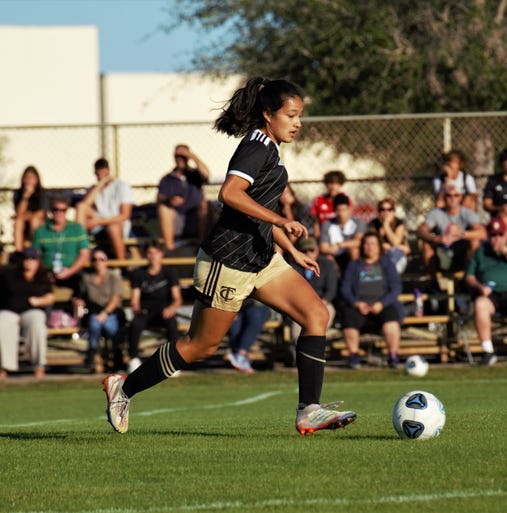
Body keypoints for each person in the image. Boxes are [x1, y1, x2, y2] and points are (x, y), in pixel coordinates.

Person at [103, 77, 356, 436]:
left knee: (315, 315)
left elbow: (257, 210)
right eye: (291, 115)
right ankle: (123, 388)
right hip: (228, 262)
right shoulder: (256, 147)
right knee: (200, 345)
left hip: (261, 257)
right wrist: (281, 219)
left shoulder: (271, 147)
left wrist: (291, 248)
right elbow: (230, 194)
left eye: (300, 115)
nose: (297, 122)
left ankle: (308, 410)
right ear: (268, 115)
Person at [465, 217, 507, 366]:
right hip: (492, 294)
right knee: (480, 304)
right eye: (493, 235)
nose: (496, 239)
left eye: (500, 235)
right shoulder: (480, 252)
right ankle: (487, 352)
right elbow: (469, 276)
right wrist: (479, 286)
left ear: (506, 234)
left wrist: (506, 252)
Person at [339, 232, 404, 369]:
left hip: (382, 305)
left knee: (391, 319)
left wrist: (382, 303)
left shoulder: (386, 263)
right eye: (367, 244)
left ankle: (393, 355)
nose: (370, 247)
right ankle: (353, 356)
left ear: (379, 247)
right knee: (348, 318)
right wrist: (357, 303)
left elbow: (396, 287)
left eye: (373, 244)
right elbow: (345, 288)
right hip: (359, 306)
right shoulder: (354, 265)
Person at [126, 241, 182, 374]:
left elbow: (177, 299)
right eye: (149, 253)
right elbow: (135, 299)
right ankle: (133, 359)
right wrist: (136, 308)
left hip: (164, 311)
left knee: (172, 324)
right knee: (135, 324)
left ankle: (172, 361)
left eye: (155, 253)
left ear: (161, 254)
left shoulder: (169, 272)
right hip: (145, 311)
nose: (152, 256)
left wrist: (172, 308)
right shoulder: (138, 274)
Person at [0, 247, 54, 380]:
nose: (29, 262)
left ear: (37, 261)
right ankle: (4, 367)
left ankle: (39, 366)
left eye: (33, 259)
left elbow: (50, 296)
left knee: (36, 324)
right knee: (2, 323)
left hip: (32, 310)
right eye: (27, 259)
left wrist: (39, 301)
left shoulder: (43, 275)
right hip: (10, 311)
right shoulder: (10, 273)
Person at [74, 247, 124, 371]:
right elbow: (80, 295)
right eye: (95, 259)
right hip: (94, 311)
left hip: (111, 311)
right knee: (94, 325)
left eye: (101, 259)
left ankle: (117, 359)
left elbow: (115, 299)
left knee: (111, 327)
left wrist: (105, 313)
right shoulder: (87, 279)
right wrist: (78, 303)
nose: (98, 262)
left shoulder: (113, 277)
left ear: (106, 261)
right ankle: (92, 358)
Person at [417, 184, 486, 274]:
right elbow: (421, 231)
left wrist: (460, 234)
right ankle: (434, 282)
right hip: (443, 251)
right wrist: (437, 238)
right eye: (449, 195)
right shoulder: (436, 213)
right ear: (444, 198)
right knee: (426, 244)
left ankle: (469, 277)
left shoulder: (467, 213)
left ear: (460, 197)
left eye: (456, 195)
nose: (452, 198)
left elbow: (482, 233)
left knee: (475, 242)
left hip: (462, 252)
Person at [75, 158, 134, 260]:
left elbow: (125, 215)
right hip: (99, 224)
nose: (101, 176)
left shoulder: (122, 186)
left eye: (103, 172)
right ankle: (81, 250)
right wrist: (99, 186)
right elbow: (84, 205)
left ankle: (122, 263)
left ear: (108, 171)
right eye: (98, 173)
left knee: (113, 227)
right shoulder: (94, 188)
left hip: (116, 224)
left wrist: (98, 222)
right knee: (81, 207)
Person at [31, 193, 91, 291]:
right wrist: (44, 270)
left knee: (83, 284)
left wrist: (70, 271)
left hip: (72, 271)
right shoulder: (41, 231)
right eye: (56, 209)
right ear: (51, 210)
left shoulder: (77, 229)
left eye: (63, 210)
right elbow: (35, 255)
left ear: (67, 211)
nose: (59, 213)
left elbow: (84, 254)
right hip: (48, 272)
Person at [157, 144, 210, 251]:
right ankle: (170, 248)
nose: (180, 159)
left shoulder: (195, 174)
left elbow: (207, 174)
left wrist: (192, 156)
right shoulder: (167, 178)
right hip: (176, 218)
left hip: (195, 217)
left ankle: (202, 245)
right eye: (178, 156)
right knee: (163, 209)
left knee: (204, 205)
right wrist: (170, 200)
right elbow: (159, 197)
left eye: (183, 156)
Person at [289, 237, 338, 344]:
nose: (308, 253)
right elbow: (292, 291)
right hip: (300, 305)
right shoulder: (293, 267)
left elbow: (331, 289)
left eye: (311, 250)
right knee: (297, 336)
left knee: (328, 311)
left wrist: (322, 302)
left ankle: (317, 337)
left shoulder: (327, 265)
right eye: (304, 251)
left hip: (322, 302)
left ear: (317, 250)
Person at [319, 192, 366, 274]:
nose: (341, 214)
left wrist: (339, 245)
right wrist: (331, 250)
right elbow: (323, 247)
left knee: (354, 251)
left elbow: (358, 242)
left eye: (344, 210)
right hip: (334, 256)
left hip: (350, 255)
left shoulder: (358, 223)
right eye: (338, 210)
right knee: (328, 258)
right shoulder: (327, 225)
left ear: (349, 209)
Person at [226, 299, 271, 374]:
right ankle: (242, 361)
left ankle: (240, 355)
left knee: (255, 318)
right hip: (235, 306)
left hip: (258, 305)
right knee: (234, 326)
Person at [367, 198, 411, 274]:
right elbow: (373, 242)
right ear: (378, 212)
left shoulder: (399, 224)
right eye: (382, 209)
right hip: (379, 256)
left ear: (393, 211)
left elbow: (395, 242)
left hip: (397, 257)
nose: (386, 212)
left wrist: (386, 225)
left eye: (389, 209)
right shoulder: (373, 224)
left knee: (394, 254)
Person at [13, 165, 48, 253]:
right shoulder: (18, 193)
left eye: (31, 178)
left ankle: (36, 251)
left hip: (39, 223)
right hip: (24, 223)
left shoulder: (42, 193)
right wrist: (26, 197)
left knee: (35, 220)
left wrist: (28, 216)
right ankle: (19, 252)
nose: (29, 180)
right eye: (27, 178)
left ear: (37, 179)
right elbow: (19, 213)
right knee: (18, 222)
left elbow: (41, 213)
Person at [309, 170, 350, 238]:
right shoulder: (318, 200)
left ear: (341, 185)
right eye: (330, 183)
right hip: (323, 233)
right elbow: (315, 219)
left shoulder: (345, 198)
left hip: (341, 231)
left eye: (336, 183)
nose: (333, 187)